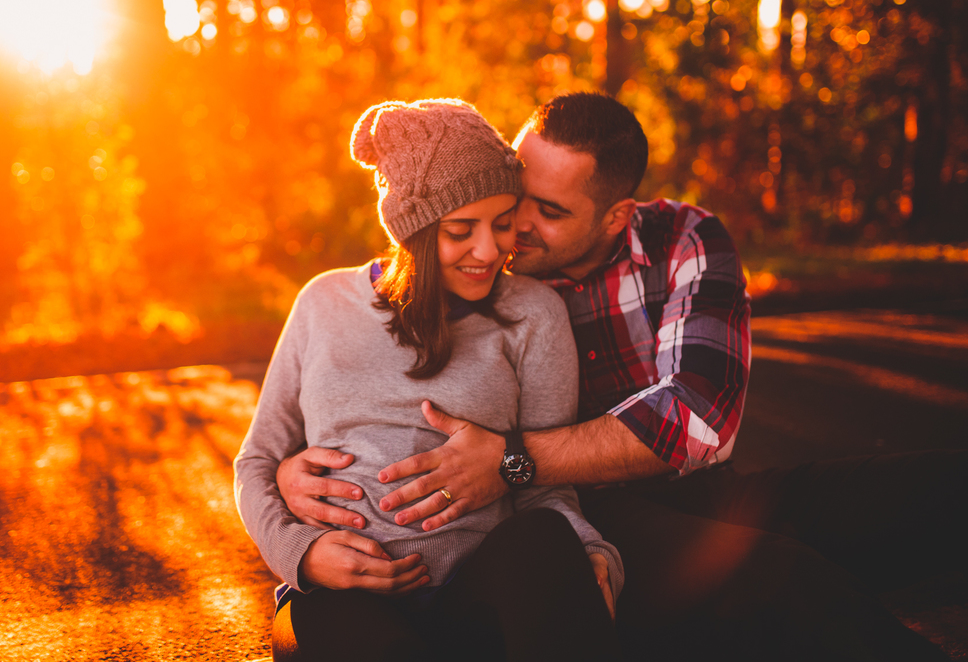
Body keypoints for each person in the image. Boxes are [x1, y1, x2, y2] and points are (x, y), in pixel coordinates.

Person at [278, 92, 968, 661]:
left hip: (689, 488)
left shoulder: (683, 240)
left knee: (932, 490)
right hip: (590, 511)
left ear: (615, 217)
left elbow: (696, 418)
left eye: (550, 212)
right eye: (518, 195)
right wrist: (287, 469)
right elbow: (407, 273)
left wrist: (512, 458)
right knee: (784, 581)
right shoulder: (489, 262)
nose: (517, 227)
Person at [233, 99, 623, 662]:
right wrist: (302, 552)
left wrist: (590, 552)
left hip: (473, 595)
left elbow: (542, 481)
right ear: (410, 230)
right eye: (461, 230)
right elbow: (256, 462)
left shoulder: (535, 314)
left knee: (542, 539)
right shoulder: (323, 303)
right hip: (342, 600)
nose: (489, 250)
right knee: (340, 629)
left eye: (503, 223)